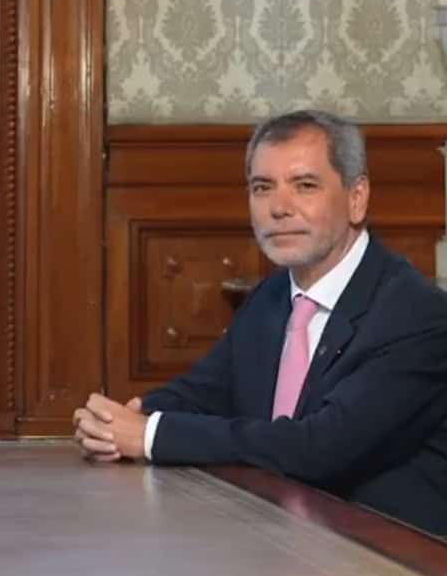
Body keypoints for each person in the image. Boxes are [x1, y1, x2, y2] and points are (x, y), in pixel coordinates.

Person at [73, 110, 447, 535]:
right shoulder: (271, 296)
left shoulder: (417, 315)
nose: (279, 208)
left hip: (393, 555)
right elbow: (203, 391)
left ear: (356, 197)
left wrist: (150, 435)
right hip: (274, 537)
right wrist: (117, 421)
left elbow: (319, 449)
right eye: (262, 188)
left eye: (305, 185)